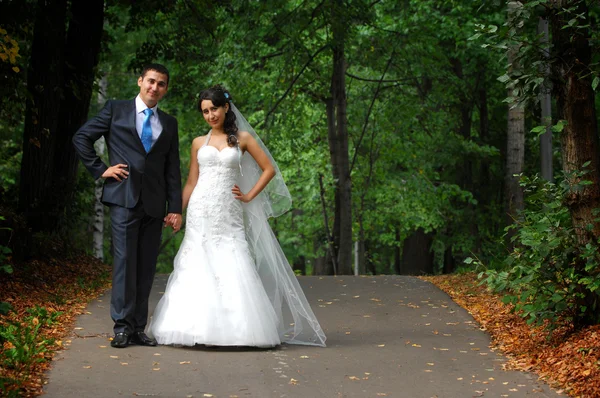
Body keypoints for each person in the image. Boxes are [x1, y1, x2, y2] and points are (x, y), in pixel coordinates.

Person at [148, 85, 326, 348]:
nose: (210, 115)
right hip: (200, 209)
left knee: (233, 255)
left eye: (214, 109)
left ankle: (239, 330)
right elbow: (190, 182)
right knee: (197, 258)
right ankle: (193, 327)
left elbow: (269, 169)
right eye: (205, 111)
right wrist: (177, 211)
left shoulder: (242, 138)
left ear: (226, 107)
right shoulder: (199, 142)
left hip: (228, 209)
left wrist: (249, 195)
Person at [73, 64, 183, 348]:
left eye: (160, 84)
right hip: (123, 198)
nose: (154, 87)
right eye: (150, 81)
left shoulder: (169, 123)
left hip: (155, 204)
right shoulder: (115, 109)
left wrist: (176, 207)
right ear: (140, 81)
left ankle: (137, 328)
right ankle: (121, 327)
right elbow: (82, 137)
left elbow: (173, 168)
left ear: (165, 89)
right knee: (124, 264)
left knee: (146, 268)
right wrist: (101, 169)